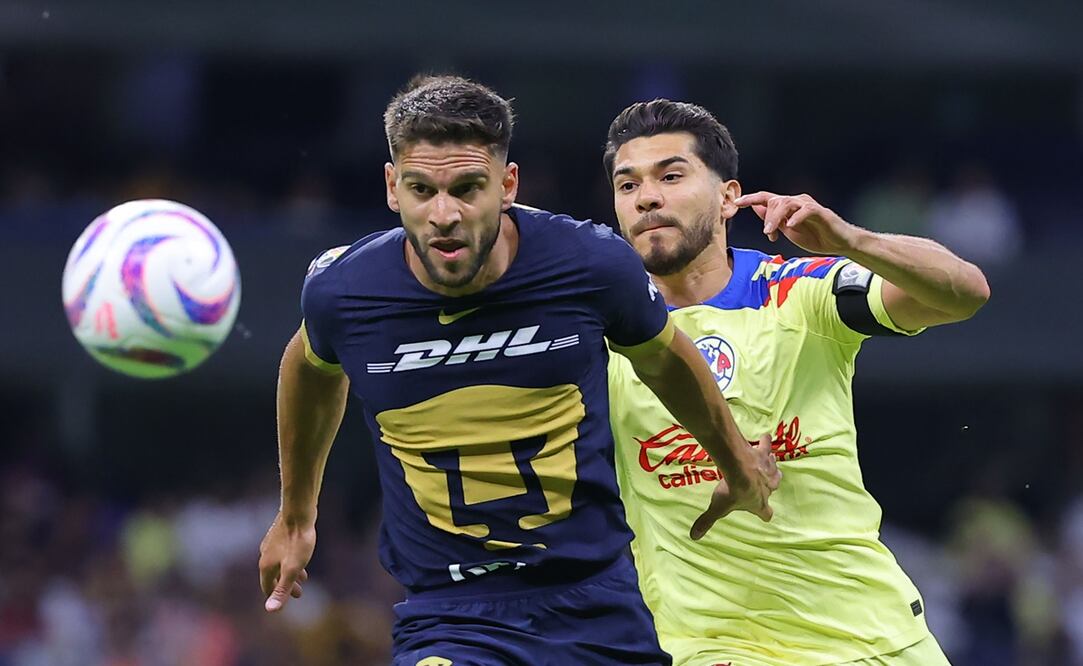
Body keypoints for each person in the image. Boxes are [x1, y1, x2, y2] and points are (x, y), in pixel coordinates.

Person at [257, 76, 780, 665]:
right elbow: (310, 366)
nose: (444, 214)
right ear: (390, 187)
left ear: (507, 185)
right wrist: (297, 515)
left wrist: (734, 460)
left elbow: (665, 358)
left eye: (467, 188)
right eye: (421, 189)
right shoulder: (343, 292)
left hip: (598, 602)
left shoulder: (591, 265)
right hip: (451, 615)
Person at [604, 99, 990, 665]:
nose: (647, 197)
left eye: (671, 175)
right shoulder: (604, 335)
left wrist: (850, 241)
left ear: (729, 197)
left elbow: (964, 293)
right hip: (716, 646)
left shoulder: (800, 290)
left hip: (871, 637)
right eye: (627, 184)